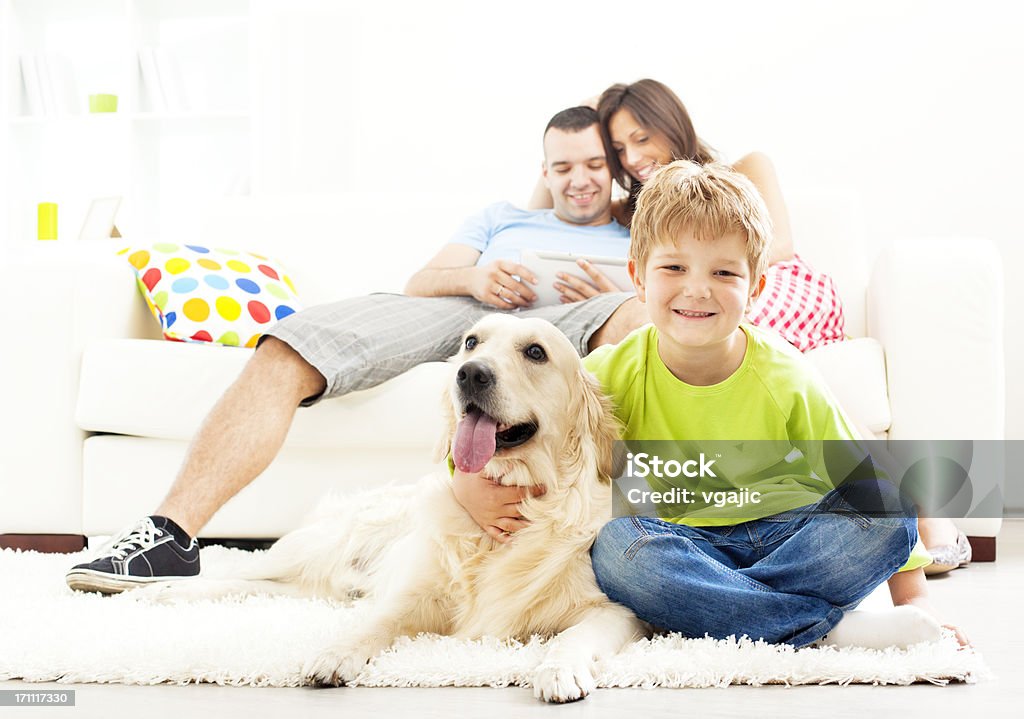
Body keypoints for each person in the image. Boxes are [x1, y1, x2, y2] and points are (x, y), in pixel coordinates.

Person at [65, 106, 644, 594]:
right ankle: (170, 534)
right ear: (544, 171)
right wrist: (475, 279)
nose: (580, 179)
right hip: (463, 310)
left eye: (595, 164)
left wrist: (612, 291)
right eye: (563, 166)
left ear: (614, 168)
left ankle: (660, 525)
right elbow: (422, 281)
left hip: (569, 319)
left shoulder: (631, 230)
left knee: (639, 321)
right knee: (290, 345)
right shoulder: (502, 217)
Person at [455, 160, 969, 648]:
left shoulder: (783, 373)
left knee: (888, 513)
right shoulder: (609, 372)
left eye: (724, 274)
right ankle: (823, 630)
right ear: (638, 277)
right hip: (680, 546)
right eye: (674, 267)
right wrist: (465, 484)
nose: (696, 290)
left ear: (757, 287)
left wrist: (918, 599)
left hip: (786, 540)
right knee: (618, 550)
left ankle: (730, 613)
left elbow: (862, 478)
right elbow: (523, 426)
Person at [530, 79, 844, 353]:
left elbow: (779, 247)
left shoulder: (747, 168)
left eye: (642, 139)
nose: (633, 159)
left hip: (771, 281)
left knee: (725, 321)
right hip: (706, 296)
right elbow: (540, 214)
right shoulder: (635, 210)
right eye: (620, 149)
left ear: (671, 127)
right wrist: (583, 114)